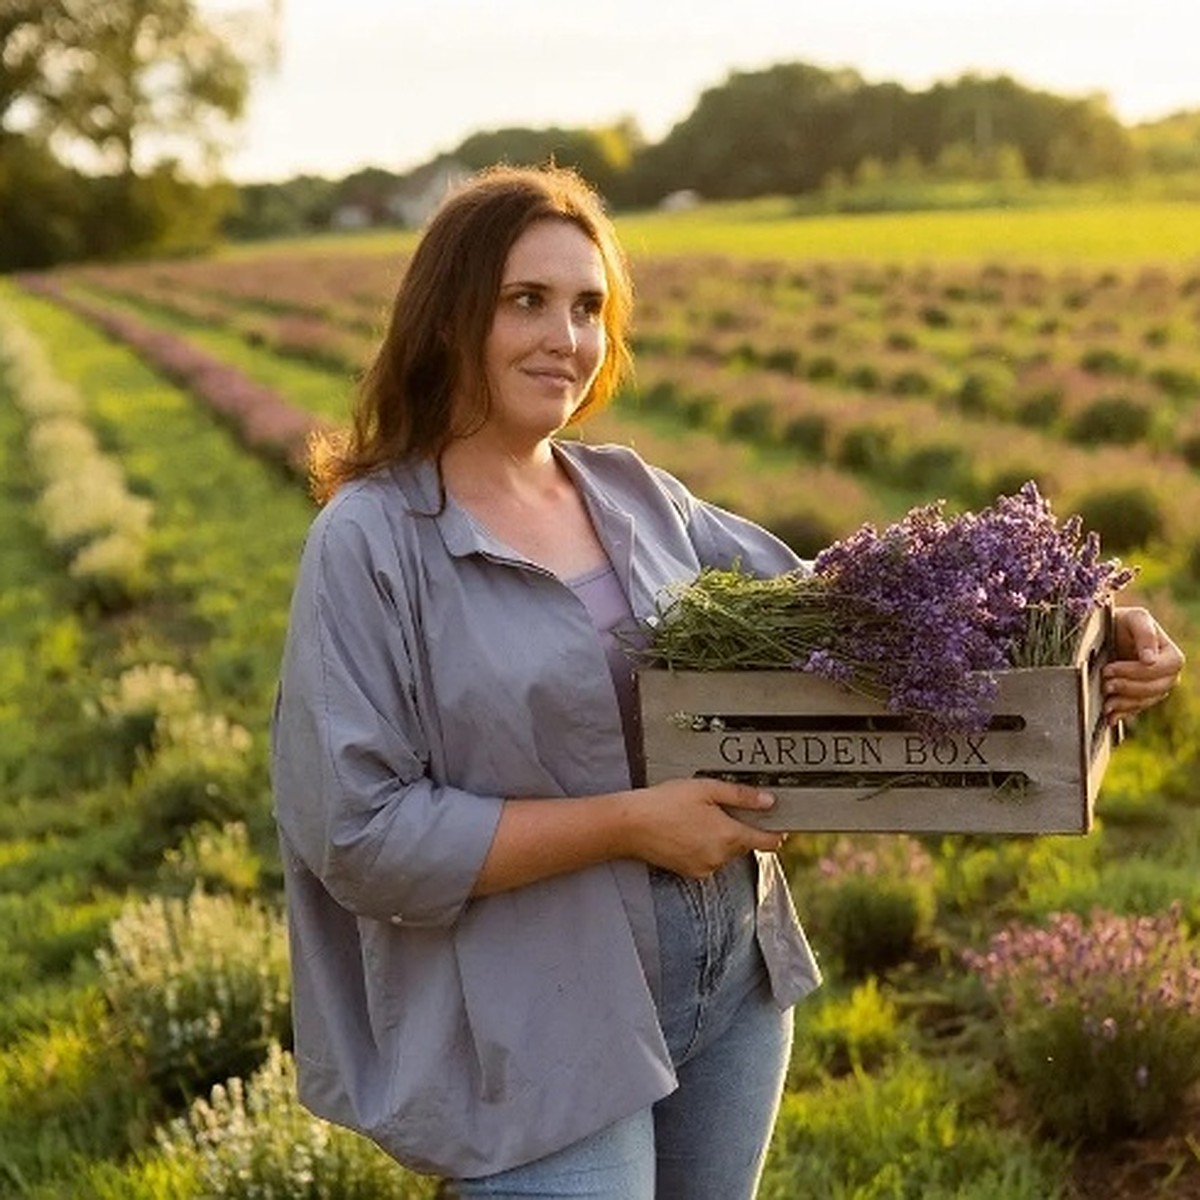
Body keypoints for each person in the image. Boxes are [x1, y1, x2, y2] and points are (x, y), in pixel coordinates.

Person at [270, 163, 1185, 1198]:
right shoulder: (373, 542)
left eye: (587, 308)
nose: (564, 339)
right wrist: (630, 824)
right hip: (538, 1019)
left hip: (732, 983)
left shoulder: (630, 494)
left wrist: (1082, 626)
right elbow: (359, 833)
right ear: (447, 317)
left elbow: (846, 617)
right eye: (525, 301)